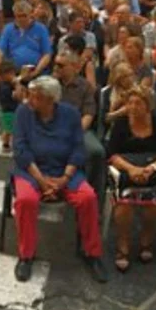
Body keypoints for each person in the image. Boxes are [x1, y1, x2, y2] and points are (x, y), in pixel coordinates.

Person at [10, 76, 107, 284]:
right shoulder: (23, 113)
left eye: (35, 97)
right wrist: (42, 181)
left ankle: (92, 253)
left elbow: (77, 148)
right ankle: (26, 255)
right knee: (26, 200)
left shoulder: (70, 114)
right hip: (32, 171)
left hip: (65, 171)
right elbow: (21, 150)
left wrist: (64, 178)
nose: (30, 101)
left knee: (88, 198)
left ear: (50, 99)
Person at [107, 86, 156, 272]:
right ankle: (123, 245)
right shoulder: (121, 123)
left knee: (152, 205)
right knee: (124, 205)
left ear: (148, 106)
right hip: (125, 172)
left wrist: (150, 169)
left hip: (151, 171)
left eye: (138, 103)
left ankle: (146, 240)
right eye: (130, 103)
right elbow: (111, 154)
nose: (133, 107)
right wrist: (132, 169)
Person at [54, 51, 104, 215]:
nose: (56, 68)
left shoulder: (85, 87)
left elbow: (89, 113)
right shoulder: (50, 84)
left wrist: (76, 132)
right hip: (52, 129)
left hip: (77, 129)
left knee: (97, 152)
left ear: (75, 67)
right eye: (55, 64)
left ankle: (93, 199)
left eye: (61, 65)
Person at [0, 0, 53, 85]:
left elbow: (47, 54)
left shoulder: (41, 29)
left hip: (35, 71)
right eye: (18, 16)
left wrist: (36, 72)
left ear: (30, 14)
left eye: (24, 16)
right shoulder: (8, 29)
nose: (21, 19)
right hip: (13, 72)